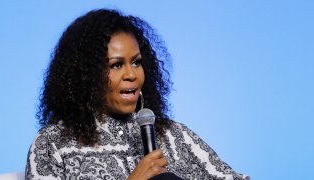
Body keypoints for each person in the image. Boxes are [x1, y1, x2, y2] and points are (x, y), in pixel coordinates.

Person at [25, 9, 249, 180]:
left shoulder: (175, 136)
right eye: (116, 65)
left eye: (136, 62)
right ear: (86, 75)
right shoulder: (53, 144)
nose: (131, 74)